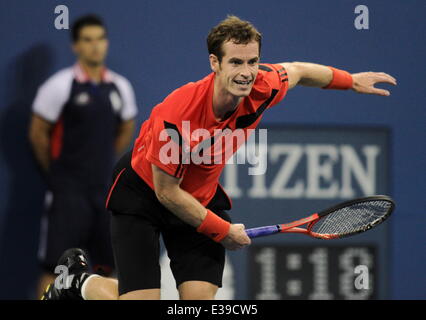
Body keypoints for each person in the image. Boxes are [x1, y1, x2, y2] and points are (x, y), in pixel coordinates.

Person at [41, 15, 396, 300]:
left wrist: (350, 80)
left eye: (253, 61)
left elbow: (301, 71)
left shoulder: (263, 85)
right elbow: (166, 193)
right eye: (236, 62)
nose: (246, 71)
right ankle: (75, 281)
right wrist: (222, 230)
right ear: (215, 63)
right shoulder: (177, 114)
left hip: (197, 199)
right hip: (144, 197)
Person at [30, 14, 138, 298]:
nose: (95, 46)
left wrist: (102, 164)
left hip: (105, 193)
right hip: (68, 193)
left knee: (108, 268)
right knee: (55, 269)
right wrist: (60, 174)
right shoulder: (59, 86)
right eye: (88, 40)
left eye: (100, 39)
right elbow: (38, 133)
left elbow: (126, 126)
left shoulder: (120, 87)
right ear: (75, 46)